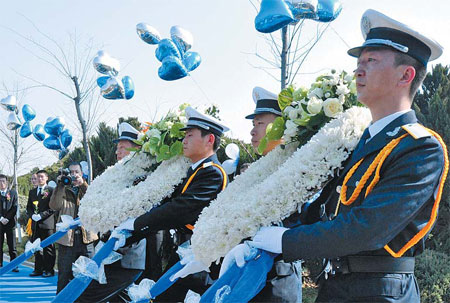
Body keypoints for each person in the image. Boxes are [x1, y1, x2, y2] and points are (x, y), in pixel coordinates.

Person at [233, 9, 447, 302]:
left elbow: (367, 228)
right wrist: (265, 232)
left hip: (381, 290)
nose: (359, 70)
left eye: (371, 61)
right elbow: (324, 209)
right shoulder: (361, 141)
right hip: (337, 284)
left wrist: (285, 241)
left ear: (406, 74)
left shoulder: (420, 148)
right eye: (359, 62)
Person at [79, 107, 229, 302]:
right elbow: (164, 204)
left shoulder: (212, 172)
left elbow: (178, 210)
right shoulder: (193, 171)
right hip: (185, 250)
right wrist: (129, 235)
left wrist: (134, 225)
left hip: (201, 259)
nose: (184, 141)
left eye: (190, 135)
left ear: (209, 140)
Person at [245, 87, 303, 302]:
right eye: (253, 124)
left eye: (260, 123)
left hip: (278, 278)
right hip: (249, 273)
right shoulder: (257, 170)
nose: (252, 131)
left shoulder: (297, 167)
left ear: (282, 125)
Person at [49, 162, 98, 293]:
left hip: (86, 238)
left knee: (90, 274)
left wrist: (83, 184)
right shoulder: (63, 189)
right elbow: (54, 206)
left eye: (77, 172)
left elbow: (95, 200)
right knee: (64, 275)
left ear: (82, 174)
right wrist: (60, 186)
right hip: (67, 240)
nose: (74, 175)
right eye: (71, 172)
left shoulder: (88, 188)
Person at [26, 169, 56, 277]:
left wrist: (41, 215)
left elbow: (53, 208)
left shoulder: (51, 190)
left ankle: (49, 270)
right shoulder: (32, 192)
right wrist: (32, 215)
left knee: (48, 248)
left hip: (47, 224)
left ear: (47, 178)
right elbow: (29, 207)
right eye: (38, 177)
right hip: (35, 224)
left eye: (42, 177)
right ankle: (38, 269)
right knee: (36, 247)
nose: (39, 179)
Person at [0, 174, 18, 272]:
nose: (1, 183)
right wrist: (1, 218)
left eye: (3, 181)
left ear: (6, 182)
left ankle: (14, 264)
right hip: (0, 223)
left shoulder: (13, 192)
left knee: (12, 245)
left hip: (10, 222)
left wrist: (7, 218)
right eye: (0, 181)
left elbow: (14, 207)